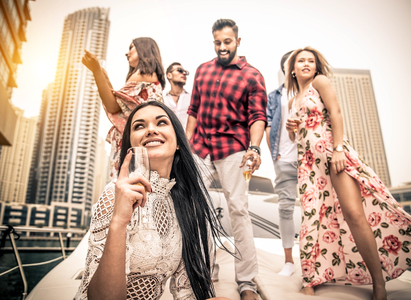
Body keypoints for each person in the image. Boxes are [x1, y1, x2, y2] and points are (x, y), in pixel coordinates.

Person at [285, 47, 411, 299]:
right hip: (309, 167)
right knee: (313, 219)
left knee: (354, 214)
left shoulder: (320, 82)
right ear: (292, 69)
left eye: (310, 61)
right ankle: (312, 277)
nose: (306, 64)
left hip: (332, 155)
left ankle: (379, 283)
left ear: (316, 67)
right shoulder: (292, 100)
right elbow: (296, 137)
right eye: (300, 61)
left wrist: (337, 149)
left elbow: (335, 113)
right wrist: (291, 128)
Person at [75, 101, 232, 300]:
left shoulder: (187, 204)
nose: (150, 130)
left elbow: (186, 293)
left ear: (177, 143)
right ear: (130, 146)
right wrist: (119, 221)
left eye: (161, 123)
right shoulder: (114, 193)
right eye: (139, 126)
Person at [186, 19, 267, 300]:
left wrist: (254, 148)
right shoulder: (203, 70)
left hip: (233, 147)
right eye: (218, 42)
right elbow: (193, 111)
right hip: (199, 147)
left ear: (238, 42)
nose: (222, 47)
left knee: (239, 210)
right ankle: (205, 272)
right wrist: (185, 146)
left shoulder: (252, 76)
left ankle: (246, 283)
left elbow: (257, 117)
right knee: (197, 209)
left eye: (227, 42)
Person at [82, 37, 165, 180]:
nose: (127, 53)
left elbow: (113, 106)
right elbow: (119, 101)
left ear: (143, 49)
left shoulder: (142, 74)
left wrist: (96, 71)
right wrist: (103, 75)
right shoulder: (150, 76)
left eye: (132, 47)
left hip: (133, 144)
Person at [265, 50, 297, 277]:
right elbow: (268, 125)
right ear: (286, 67)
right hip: (284, 159)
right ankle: (289, 262)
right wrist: (274, 156)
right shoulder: (275, 96)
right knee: (285, 209)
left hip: (311, 160)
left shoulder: (314, 91)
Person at [163, 62, 191, 129]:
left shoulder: (192, 99)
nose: (184, 73)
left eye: (185, 72)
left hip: (189, 138)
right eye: (180, 70)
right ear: (169, 75)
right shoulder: (163, 100)